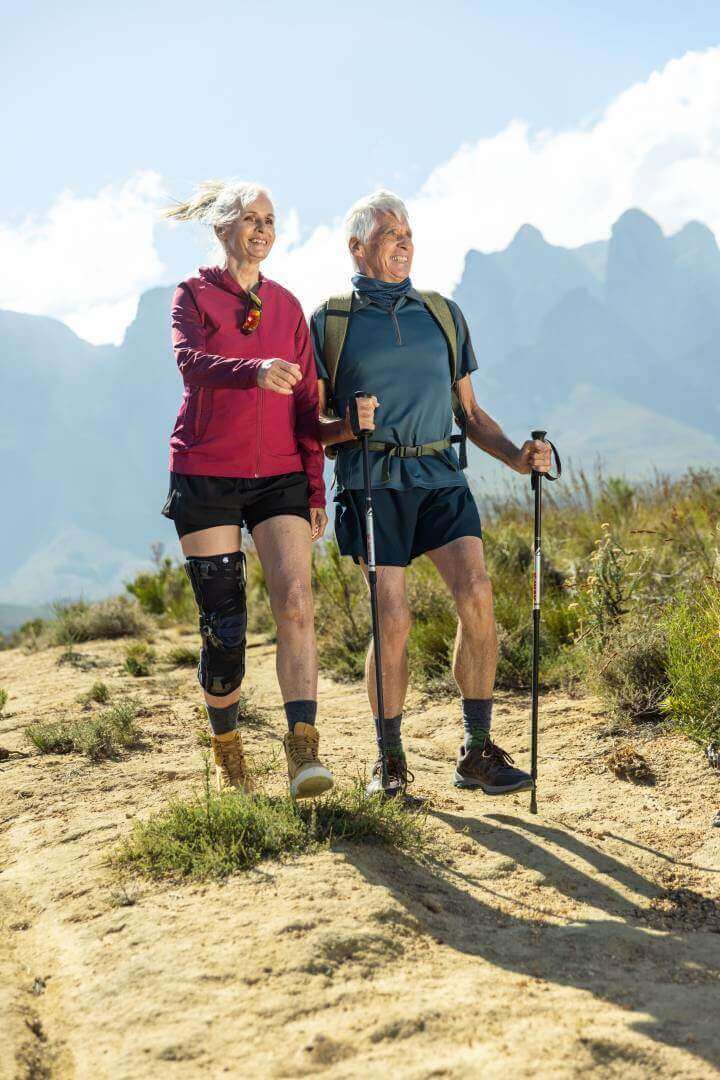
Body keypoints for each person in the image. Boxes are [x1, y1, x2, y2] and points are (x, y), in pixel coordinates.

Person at [312, 190, 552, 797]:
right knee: (391, 619)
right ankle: (389, 759)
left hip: (439, 475)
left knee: (477, 593)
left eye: (408, 231)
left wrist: (518, 457)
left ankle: (476, 750)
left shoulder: (442, 314)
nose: (403, 240)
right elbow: (309, 426)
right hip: (372, 483)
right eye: (389, 232)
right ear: (356, 246)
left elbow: (469, 412)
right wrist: (347, 426)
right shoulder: (331, 322)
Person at [162, 179, 333, 799]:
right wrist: (253, 371)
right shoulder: (194, 294)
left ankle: (303, 750)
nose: (262, 230)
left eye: (270, 220)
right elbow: (189, 362)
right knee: (225, 626)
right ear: (222, 228)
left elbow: (308, 404)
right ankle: (227, 747)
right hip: (206, 471)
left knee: (295, 603)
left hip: (280, 475)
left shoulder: (287, 307)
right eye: (250, 219)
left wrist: (315, 487)